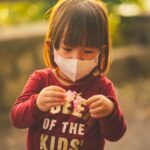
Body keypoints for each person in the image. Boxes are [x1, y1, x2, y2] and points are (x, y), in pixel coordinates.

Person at [10, 0, 126, 150]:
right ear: (51, 47)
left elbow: (116, 134)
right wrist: (37, 104)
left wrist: (110, 112)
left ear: (101, 52)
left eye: (88, 52)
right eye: (67, 49)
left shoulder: (102, 87)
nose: (76, 58)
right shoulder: (41, 79)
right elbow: (16, 118)